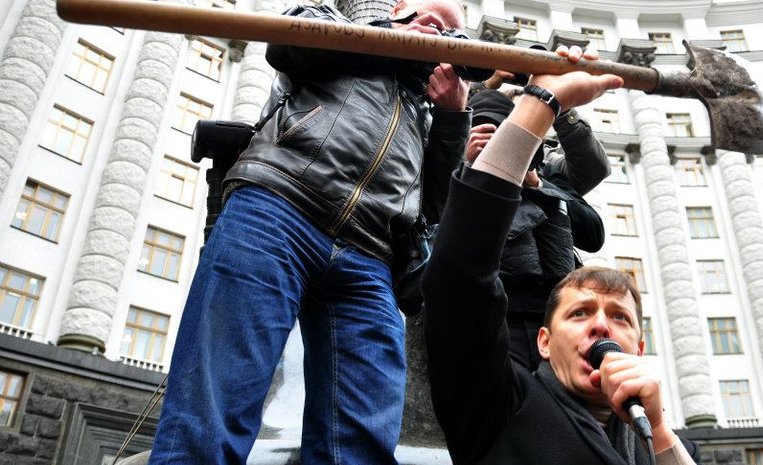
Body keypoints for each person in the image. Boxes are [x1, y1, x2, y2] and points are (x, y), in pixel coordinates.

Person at [148, 1, 470, 464]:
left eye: (454, 33)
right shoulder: (338, 24)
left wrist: (453, 117)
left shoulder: (427, 106)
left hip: (372, 254)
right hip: (278, 207)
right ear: (401, 8)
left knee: (362, 436)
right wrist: (394, 42)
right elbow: (287, 42)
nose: (443, 32)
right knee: (217, 398)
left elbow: (434, 206)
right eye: (434, 18)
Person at [423, 46, 701, 465]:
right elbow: (459, 272)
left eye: (620, 317)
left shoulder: (666, 444)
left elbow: (592, 224)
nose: (601, 326)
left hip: (551, 287)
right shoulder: (508, 411)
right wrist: (537, 102)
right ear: (546, 341)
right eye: (580, 314)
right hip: (502, 314)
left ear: (640, 348)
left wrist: (660, 433)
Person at [465, 88, 608, 370]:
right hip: (489, 313)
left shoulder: (544, 175)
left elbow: (594, 234)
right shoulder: (452, 173)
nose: (499, 147)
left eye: (505, 136)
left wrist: (538, 186)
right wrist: (469, 169)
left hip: (556, 308)